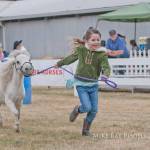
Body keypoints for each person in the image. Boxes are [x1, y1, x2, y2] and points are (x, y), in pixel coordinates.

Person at [55, 27, 110, 136]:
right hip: (81, 85)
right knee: (86, 107)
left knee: (93, 110)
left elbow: (106, 67)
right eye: (93, 40)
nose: (96, 42)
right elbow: (71, 58)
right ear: (87, 41)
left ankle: (85, 131)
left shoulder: (102, 54)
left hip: (93, 85)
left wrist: (105, 75)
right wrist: (60, 63)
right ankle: (77, 110)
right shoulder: (81, 50)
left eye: (98, 40)